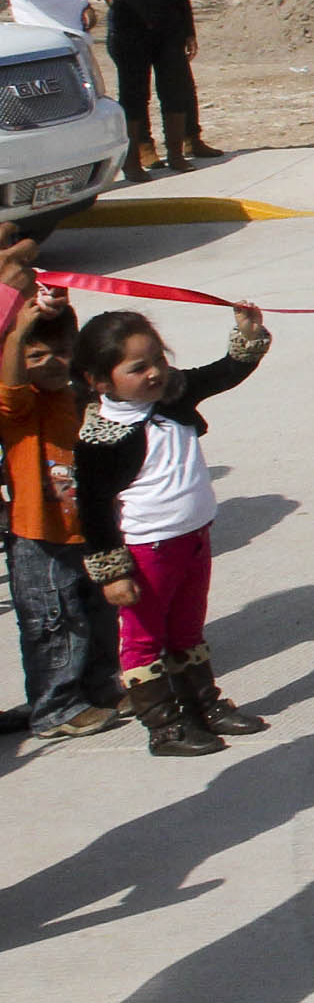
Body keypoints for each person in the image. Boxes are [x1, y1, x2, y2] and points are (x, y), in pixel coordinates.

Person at [74, 302, 273, 755]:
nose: (154, 373)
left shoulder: (173, 394)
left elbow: (223, 373)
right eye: (138, 367)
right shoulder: (101, 438)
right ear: (100, 381)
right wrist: (113, 572)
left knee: (187, 629)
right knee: (144, 639)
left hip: (194, 538)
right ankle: (164, 727)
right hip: (149, 551)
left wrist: (246, 336)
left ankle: (204, 704)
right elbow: (93, 509)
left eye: (159, 360)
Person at [4, 285, 120, 740]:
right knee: (53, 622)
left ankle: (100, 687)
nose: (53, 362)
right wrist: (16, 335)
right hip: (38, 535)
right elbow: (9, 392)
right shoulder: (19, 405)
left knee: (97, 613)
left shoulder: (80, 397)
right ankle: (55, 706)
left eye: (63, 352)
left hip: (88, 527)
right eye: (38, 355)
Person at [79, 0, 214, 177]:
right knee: (135, 96)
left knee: (175, 93)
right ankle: (134, 161)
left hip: (168, 34)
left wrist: (189, 31)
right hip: (130, 35)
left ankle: (176, 153)